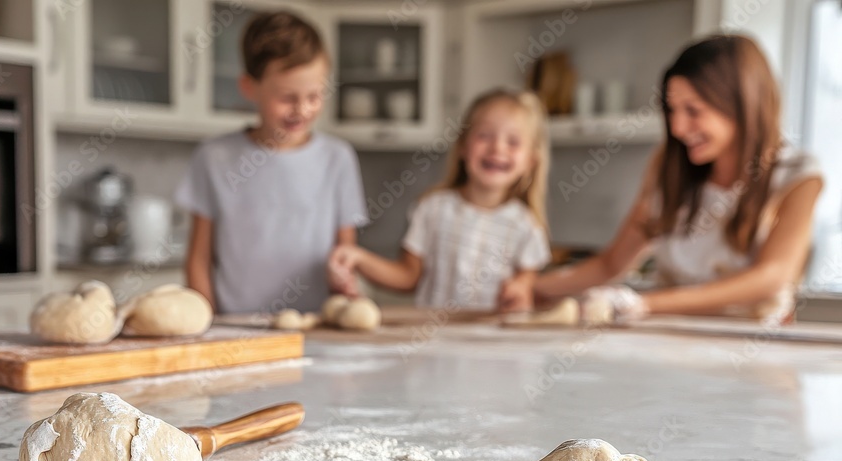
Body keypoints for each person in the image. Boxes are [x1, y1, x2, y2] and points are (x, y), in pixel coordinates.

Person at [535, 34, 824, 323]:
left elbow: (771, 277)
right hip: (670, 345)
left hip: (752, 352)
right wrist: (535, 286)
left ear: (742, 105)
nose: (677, 128)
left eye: (693, 111)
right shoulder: (669, 165)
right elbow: (611, 263)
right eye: (672, 111)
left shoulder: (797, 176)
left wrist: (644, 304)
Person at [176, 11, 367, 314]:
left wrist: (344, 283)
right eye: (287, 98)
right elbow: (199, 258)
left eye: (314, 96)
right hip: (234, 329)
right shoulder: (213, 158)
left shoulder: (338, 158)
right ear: (250, 87)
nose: (302, 110)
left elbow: (346, 254)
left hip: (314, 329)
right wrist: (206, 325)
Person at [329, 89, 551, 312]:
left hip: (494, 344)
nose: (497, 148)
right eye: (484, 136)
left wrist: (519, 293)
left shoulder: (526, 225)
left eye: (513, 141)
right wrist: (360, 258)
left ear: (531, 160)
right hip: (432, 342)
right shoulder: (432, 209)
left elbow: (527, 287)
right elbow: (407, 278)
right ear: (463, 146)